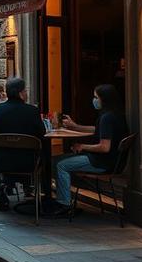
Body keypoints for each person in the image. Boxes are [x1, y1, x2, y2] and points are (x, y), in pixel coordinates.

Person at [53, 84, 129, 215]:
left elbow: (104, 147)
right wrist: (76, 126)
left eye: (96, 97)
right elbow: (97, 129)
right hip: (114, 162)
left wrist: (82, 147)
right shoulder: (116, 115)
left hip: (101, 162)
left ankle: (64, 204)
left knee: (60, 164)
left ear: (104, 99)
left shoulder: (106, 118)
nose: (94, 100)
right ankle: (64, 199)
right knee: (59, 160)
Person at [0, 76, 46, 210]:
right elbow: (41, 133)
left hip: (1, 161)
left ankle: (1, 186)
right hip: (29, 163)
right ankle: (30, 186)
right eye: (25, 90)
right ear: (20, 93)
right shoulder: (32, 111)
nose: (26, 93)